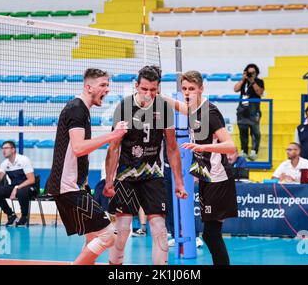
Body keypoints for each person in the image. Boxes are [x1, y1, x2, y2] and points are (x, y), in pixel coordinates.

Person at [104, 66, 187, 265]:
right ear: (136, 86)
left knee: (159, 229)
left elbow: (172, 148)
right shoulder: (123, 107)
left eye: (153, 90)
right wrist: (108, 181)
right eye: (144, 89)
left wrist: (179, 182)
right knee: (123, 230)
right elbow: (113, 148)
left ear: (158, 88)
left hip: (153, 173)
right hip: (126, 174)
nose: (148, 94)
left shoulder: (163, 109)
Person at [47, 68, 128, 265]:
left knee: (92, 238)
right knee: (108, 235)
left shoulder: (82, 109)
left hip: (74, 184)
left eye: (108, 85)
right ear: (88, 87)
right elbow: (78, 148)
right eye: (103, 85)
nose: (107, 90)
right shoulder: (77, 109)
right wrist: (112, 135)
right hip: (67, 186)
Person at [164, 70, 238, 265]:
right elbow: (184, 109)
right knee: (210, 234)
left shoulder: (210, 113)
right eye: (185, 89)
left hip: (219, 179)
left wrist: (203, 147)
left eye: (192, 89)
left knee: (211, 235)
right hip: (207, 178)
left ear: (201, 89)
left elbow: (231, 146)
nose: (188, 93)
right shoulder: (194, 109)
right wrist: (160, 97)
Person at [0, 141, 38, 227]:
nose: (3, 150)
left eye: (6, 148)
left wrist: (17, 188)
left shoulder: (23, 160)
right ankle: (11, 215)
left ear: (13, 150)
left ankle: (24, 217)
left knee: (21, 191)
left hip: (29, 187)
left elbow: (31, 180)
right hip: (15, 187)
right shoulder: (5, 163)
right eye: (3, 148)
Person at [234, 64, 265, 161]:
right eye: (249, 72)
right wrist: (243, 78)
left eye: (252, 73)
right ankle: (244, 150)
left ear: (256, 73)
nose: (251, 74)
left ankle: (254, 151)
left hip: (254, 109)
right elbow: (235, 89)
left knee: (255, 132)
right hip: (242, 109)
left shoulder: (259, 81)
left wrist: (253, 81)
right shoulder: (244, 81)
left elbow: (259, 92)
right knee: (243, 131)